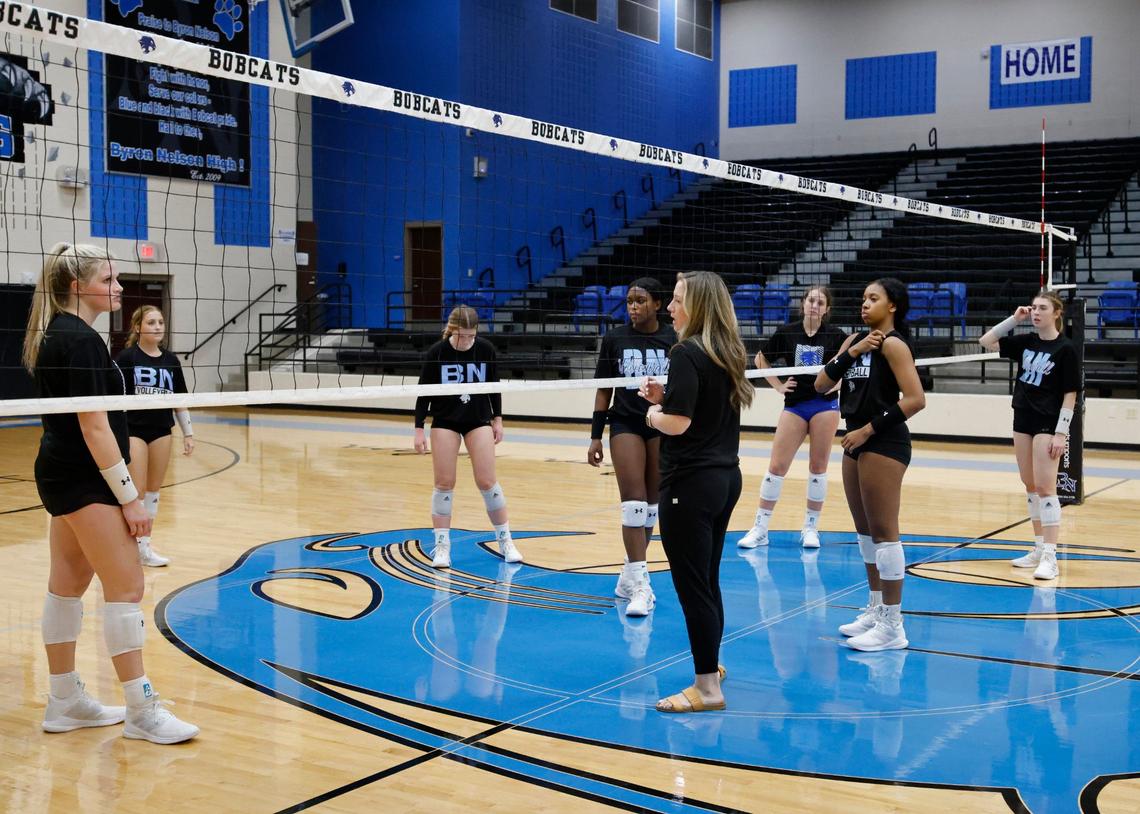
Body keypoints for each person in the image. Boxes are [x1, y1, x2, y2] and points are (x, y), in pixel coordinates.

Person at [22, 242, 198, 744]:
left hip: (62, 472)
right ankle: (142, 711)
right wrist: (129, 497)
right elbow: (96, 428)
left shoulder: (61, 332)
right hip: (86, 479)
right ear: (79, 286)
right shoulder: (79, 340)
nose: (118, 288)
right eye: (108, 280)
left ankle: (64, 701)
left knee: (67, 587)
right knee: (126, 590)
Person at [640, 271, 752, 713]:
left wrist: (653, 413)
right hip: (725, 479)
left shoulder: (685, 351)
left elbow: (680, 423)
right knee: (707, 580)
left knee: (693, 588)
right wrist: (669, 394)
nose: (669, 307)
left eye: (677, 299)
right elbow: (699, 404)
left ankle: (707, 688)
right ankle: (713, 665)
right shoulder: (726, 351)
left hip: (690, 483)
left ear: (698, 306)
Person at [815, 277, 925, 652]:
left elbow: (915, 399)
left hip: (883, 440)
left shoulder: (893, 345)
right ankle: (877, 607)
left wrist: (866, 431)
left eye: (873, 298)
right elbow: (820, 383)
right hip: (855, 440)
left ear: (892, 305)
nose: (865, 304)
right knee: (864, 534)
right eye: (863, 298)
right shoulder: (854, 342)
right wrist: (853, 350)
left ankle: (893, 626)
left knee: (883, 531)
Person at [587, 277, 675, 618]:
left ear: (656, 303)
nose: (633, 306)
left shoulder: (672, 338)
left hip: (658, 422)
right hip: (624, 423)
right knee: (633, 503)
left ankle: (629, 572)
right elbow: (602, 389)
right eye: (629, 301)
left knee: (653, 507)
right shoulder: (615, 338)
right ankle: (641, 585)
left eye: (640, 300)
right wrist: (595, 435)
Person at [979, 290, 1080, 580]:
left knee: (1047, 488)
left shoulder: (1066, 349)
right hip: (1022, 417)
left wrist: (1062, 432)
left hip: (1048, 422)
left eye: (1042, 308)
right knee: (1030, 484)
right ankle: (1037, 548)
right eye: (1033, 308)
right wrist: (1014, 319)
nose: (1036, 312)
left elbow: (1070, 394)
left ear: (1056, 313)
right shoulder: (1026, 341)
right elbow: (986, 341)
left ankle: (1050, 555)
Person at [739, 286, 848, 550]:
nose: (815, 305)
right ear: (803, 304)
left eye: (820, 302)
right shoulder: (788, 332)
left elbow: (850, 364)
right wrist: (777, 385)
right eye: (811, 300)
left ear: (827, 309)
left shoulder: (836, 336)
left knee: (818, 468)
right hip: (795, 405)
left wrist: (840, 382)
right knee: (777, 467)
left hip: (824, 405)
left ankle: (811, 527)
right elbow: (761, 359)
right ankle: (760, 528)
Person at [414, 305, 521, 569]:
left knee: (487, 481)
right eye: (463, 335)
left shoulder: (485, 350)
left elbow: (494, 386)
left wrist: (498, 418)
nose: (467, 341)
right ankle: (441, 547)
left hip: (477, 419)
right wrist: (418, 428)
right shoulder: (437, 353)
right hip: (445, 421)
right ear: (452, 330)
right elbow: (423, 394)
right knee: (444, 482)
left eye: (472, 335)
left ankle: (506, 540)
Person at [116, 305, 195, 567]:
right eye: (151, 322)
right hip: (134, 429)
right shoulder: (126, 359)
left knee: (152, 491)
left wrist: (188, 433)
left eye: (160, 322)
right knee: (135, 492)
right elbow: (113, 398)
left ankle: (144, 548)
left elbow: (180, 399)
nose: (158, 326)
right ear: (138, 327)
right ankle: (128, 546)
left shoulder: (171, 361)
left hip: (162, 429)